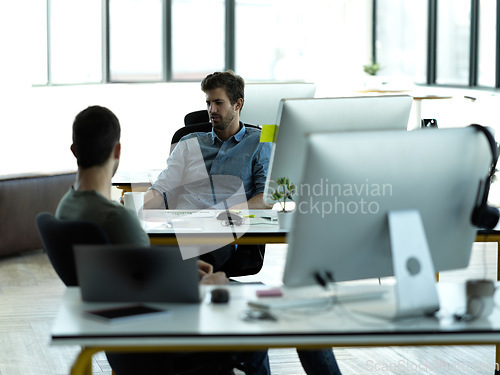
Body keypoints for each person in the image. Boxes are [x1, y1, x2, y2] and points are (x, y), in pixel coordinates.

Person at [143, 71, 343, 375]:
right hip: (184, 231)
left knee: (180, 270)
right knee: (166, 259)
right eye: (208, 102)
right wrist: (145, 204)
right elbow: (162, 187)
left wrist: (219, 215)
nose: (211, 110)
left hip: (225, 234)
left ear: (238, 104)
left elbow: (266, 198)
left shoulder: (259, 142)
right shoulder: (189, 142)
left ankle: (198, 311)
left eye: (218, 103)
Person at [56, 105, 270, 375]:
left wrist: (188, 272)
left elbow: (134, 278)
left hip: (121, 338)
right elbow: (155, 291)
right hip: (160, 338)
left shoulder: (66, 209)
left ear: (74, 150)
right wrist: (208, 284)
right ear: (118, 151)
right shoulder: (117, 220)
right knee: (256, 318)